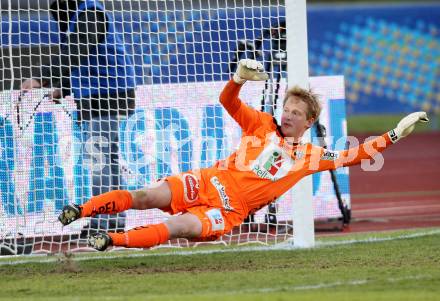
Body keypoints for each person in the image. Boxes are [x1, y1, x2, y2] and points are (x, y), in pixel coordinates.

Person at [58, 59, 429, 251]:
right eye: (286, 108)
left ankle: (110, 241)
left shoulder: (310, 156)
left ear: (309, 120)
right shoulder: (261, 124)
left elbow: (357, 154)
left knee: (179, 228)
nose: (287, 115)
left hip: (227, 211)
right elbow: (227, 101)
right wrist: (237, 79)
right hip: (206, 180)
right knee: (145, 196)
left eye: (296, 113)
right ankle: (81, 210)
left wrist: (394, 133)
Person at [22, 0, 136, 237]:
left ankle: (100, 221)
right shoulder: (84, 15)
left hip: (106, 96)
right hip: (104, 95)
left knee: (98, 161)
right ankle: (114, 218)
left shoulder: (90, 14)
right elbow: (83, 58)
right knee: (108, 162)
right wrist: (62, 88)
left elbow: (76, 51)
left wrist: (42, 78)